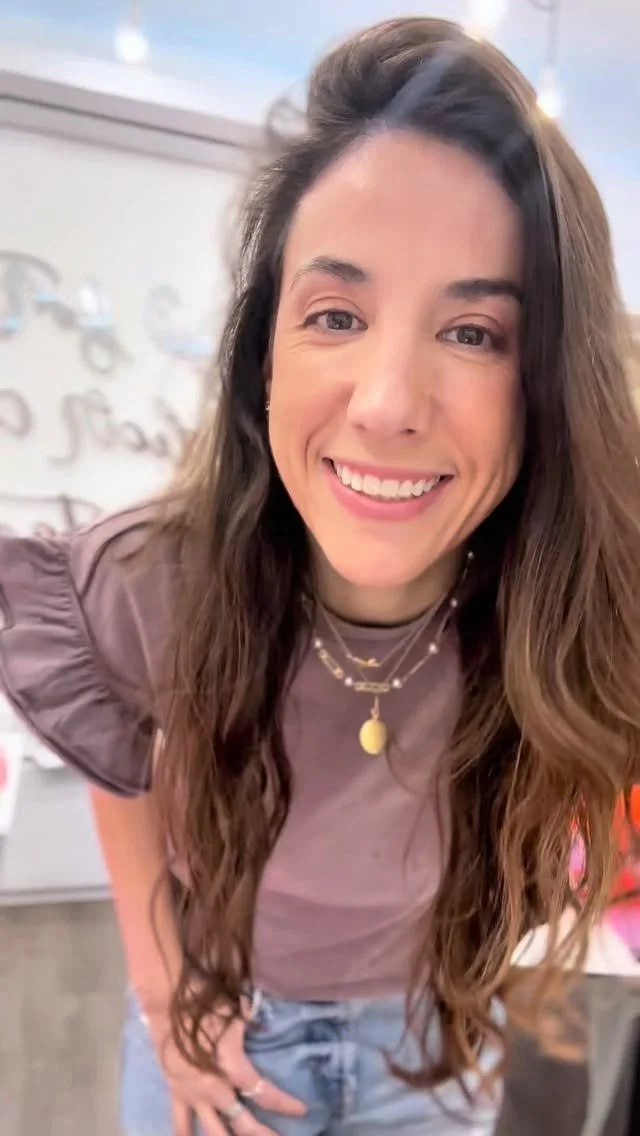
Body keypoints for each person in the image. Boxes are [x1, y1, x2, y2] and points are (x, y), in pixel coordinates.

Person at [1, 15, 639, 1136]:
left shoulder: (565, 597)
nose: (386, 403)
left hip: (439, 1038)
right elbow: (119, 759)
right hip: (226, 1024)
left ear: (544, 382)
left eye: (474, 332)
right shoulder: (154, 573)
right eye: (335, 315)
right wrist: (162, 990)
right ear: (265, 354)